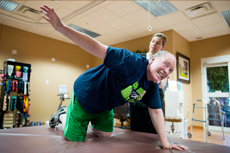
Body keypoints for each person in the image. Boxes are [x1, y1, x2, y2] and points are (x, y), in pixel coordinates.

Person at [40, 4, 187, 151]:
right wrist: (60, 27)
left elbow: (156, 111)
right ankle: (63, 114)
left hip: (104, 106)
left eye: (171, 70)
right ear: (153, 60)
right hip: (86, 94)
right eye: (166, 64)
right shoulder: (130, 61)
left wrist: (165, 143)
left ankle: (90, 120)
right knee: (75, 138)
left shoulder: (151, 86)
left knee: (105, 135)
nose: (167, 71)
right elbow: (95, 47)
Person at [130, 33, 168, 134]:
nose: (154, 44)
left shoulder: (164, 62)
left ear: (162, 47)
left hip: (153, 103)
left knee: (154, 135)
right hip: (137, 102)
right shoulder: (139, 58)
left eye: (158, 43)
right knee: (136, 135)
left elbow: (161, 84)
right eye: (153, 41)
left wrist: (143, 79)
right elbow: (132, 78)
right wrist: (153, 79)